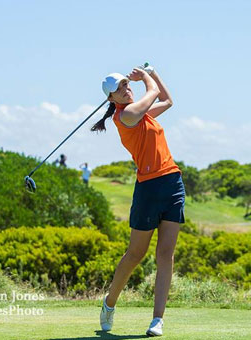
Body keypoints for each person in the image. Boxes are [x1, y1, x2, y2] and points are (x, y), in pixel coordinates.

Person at [92, 64, 184, 337]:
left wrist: (154, 73)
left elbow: (167, 100)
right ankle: (109, 304)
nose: (126, 88)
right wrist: (146, 77)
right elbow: (153, 93)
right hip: (148, 188)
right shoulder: (127, 116)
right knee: (136, 254)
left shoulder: (143, 115)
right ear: (112, 100)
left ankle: (158, 319)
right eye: (119, 88)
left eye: (125, 84)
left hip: (172, 183)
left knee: (165, 254)